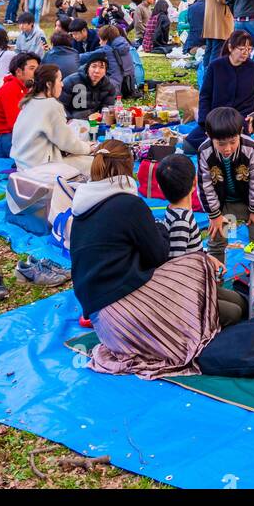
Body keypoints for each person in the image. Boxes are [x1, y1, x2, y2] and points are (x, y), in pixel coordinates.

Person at [70, 140, 219, 378]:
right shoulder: (128, 204)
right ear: (129, 168)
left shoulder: (82, 207)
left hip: (102, 322)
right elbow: (159, 256)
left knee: (225, 304)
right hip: (125, 316)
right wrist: (159, 229)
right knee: (199, 265)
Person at [155, 152, 248, 326]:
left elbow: (189, 253)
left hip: (198, 283)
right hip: (188, 293)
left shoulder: (178, 214)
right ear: (194, 184)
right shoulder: (180, 222)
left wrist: (207, 257)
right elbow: (176, 266)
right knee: (235, 312)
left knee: (241, 302)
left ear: (160, 188)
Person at [197, 105, 254, 259]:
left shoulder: (251, 148)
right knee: (216, 243)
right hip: (222, 204)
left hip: (249, 201)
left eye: (232, 142)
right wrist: (214, 215)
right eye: (221, 144)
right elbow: (205, 186)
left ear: (240, 133)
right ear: (209, 136)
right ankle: (217, 278)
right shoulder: (204, 151)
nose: (227, 149)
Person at [187, 29, 254, 151]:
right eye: (242, 49)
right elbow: (205, 95)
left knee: (235, 147)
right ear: (231, 47)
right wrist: (204, 121)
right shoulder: (216, 66)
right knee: (189, 146)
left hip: (242, 119)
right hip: (216, 119)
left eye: (249, 49)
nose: (245, 53)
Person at [10, 63, 95, 173]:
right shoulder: (51, 105)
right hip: (40, 168)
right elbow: (67, 143)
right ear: (49, 84)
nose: (62, 84)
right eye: (60, 80)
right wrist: (88, 148)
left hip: (23, 164)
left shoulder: (29, 101)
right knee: (94, 163)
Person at [0, 51, 39, 158]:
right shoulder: (11, 89)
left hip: (6, 134)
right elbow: (15, 124)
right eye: (32, 69)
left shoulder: (24, 87)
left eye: (37, 69)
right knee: (37, 147)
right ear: (18, 72)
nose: (36, 72)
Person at [61, 52, 118, 120]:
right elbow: (61, 107)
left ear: (105, 71)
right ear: (87, 68)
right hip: (71, 123)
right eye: (94, 66)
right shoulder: (71, 81)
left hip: (93, 123)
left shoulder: (108, 86)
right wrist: (71, 120)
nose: (97, 71)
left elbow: (107, 109)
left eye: (102, 67)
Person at [98, 23, 137, 97]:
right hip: (129, 84)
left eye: (100, 39)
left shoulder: (111, 51)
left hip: (120, 87)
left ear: (106, 40)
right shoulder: (122, 46)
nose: (99, 42)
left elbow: (116, 76)